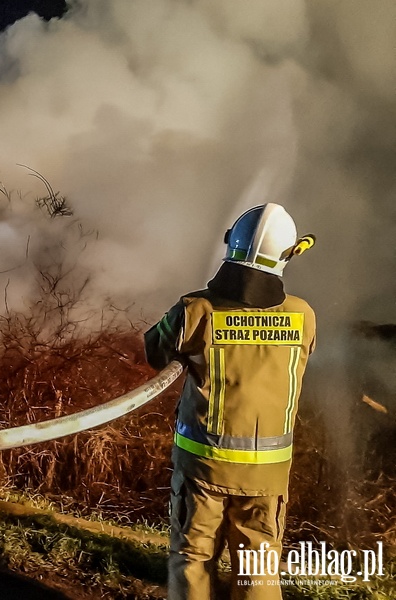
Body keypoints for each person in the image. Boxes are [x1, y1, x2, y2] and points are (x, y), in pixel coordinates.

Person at [144, 203, 316, 600]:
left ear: (231, 245)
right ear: (288, 255)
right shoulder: (303, 315)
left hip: (203, 467)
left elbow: (155, 351)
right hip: (268, 477)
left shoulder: (196, 309)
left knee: (192, 559)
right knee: (257, 567)